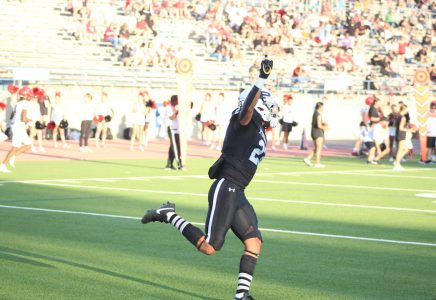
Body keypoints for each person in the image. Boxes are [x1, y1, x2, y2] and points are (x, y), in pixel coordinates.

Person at [141, 58, 277, 300]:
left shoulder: (258, 128)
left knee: (254, 241)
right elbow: (246, 110)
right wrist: (261, 80)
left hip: (239, 190)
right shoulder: (245, 119)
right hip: (227, 187)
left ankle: (241, 295)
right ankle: (167, 214)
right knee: (210, 247)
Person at [0, 87, 34, 173]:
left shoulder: (19, 103)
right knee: (15, 147)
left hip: (17, 126)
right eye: (29, 95)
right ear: (26, 95)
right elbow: (24, 118)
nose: (30, 96)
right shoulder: (25, 103)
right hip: (18, 127)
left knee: (29, 144)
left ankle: (12, 157)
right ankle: (3, 164)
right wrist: (32, 120)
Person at [304, 102, 329, 168]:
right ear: (320, 107)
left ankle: (307, 159)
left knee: (316, 148)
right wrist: (325, 128)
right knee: (319, 148)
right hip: (318, 133)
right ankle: (317, 163)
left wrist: (323, 123)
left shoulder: (314, 114)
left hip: (313, 132)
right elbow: (319, 125)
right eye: (322, 107)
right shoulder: (318, 115)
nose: (323, 108)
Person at [394, 104, 416, 171]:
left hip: (399, 134)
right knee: (400, 150)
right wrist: (410, 130)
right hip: (401, 134)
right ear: (403, 109)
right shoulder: (403, 117)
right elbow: (401, 128)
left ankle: (397, 162)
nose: (407, 111)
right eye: (406, 109)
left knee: (406, 149)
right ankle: (397, 164)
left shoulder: (398, 116)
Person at [165, 95, 183, 170]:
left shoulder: (177, 107)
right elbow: (172, 117)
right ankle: (179, 164)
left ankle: (169, 164)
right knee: (175, 147)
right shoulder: (168, 107)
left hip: (178, 129)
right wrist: (177, 111)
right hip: (171, 129)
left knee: (173, 147)